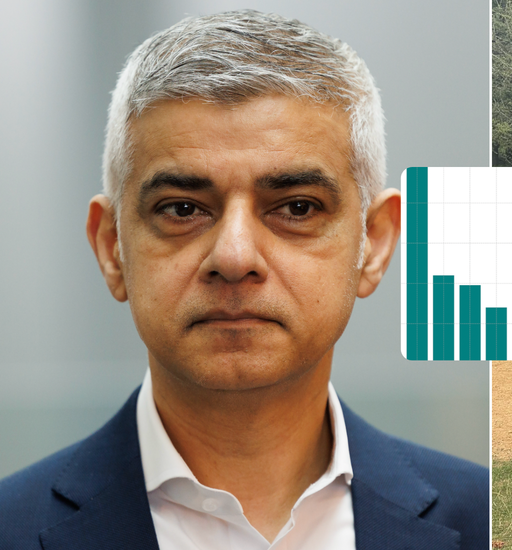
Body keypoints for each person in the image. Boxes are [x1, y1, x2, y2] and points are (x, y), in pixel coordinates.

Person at [0, 10, 487, 550]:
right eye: (182, 208)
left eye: (297, 207)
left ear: (373, 243)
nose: (233, 257)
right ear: (112, 247)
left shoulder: (486, 522)